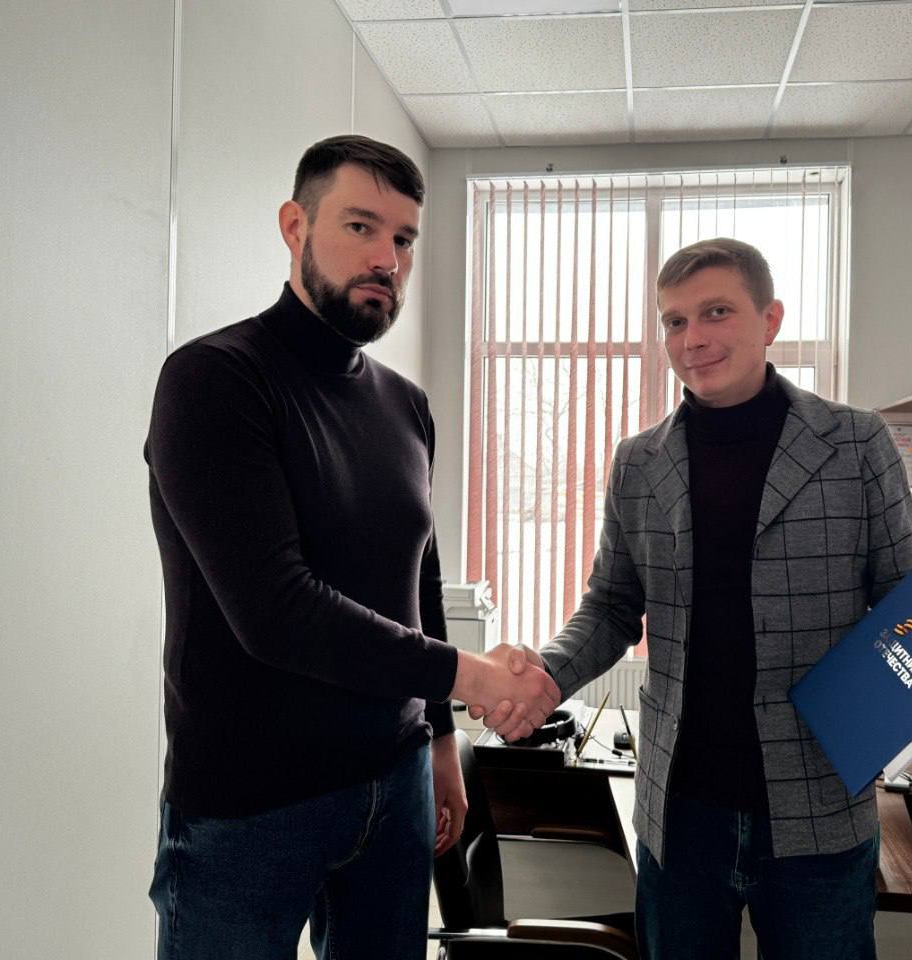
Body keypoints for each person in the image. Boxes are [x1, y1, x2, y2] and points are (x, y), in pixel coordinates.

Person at [476, 238, 912, 960]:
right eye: (674, 321)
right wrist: (544, 672)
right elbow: (611, 606)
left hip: (819, 805)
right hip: (679, 812)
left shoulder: (855, 444)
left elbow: (908, 603)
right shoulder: (638, 462)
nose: (691, 338)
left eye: (716, 312)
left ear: (770, 320)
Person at [144, 135, 559, 960]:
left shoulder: (405, 405)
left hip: (394, 785)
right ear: (294, 225)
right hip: (251, 808)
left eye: (403, 239)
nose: (386, 260)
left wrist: (439, 740)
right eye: (360, 227)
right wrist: (475, 678)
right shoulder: (214, 380)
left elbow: (419, 583)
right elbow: (278, 611)